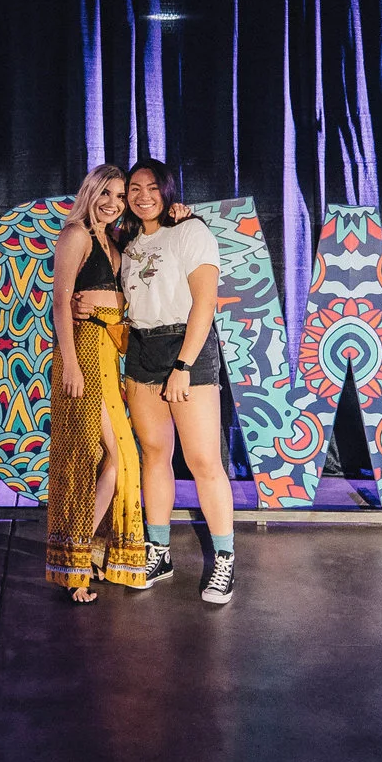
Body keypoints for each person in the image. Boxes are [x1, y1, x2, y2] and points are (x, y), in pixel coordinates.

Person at [116, 160, 240, 605]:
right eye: (134, 188)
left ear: (167, 191)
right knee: (154, 454)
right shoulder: (127, 242)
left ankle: (224, 558)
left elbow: (205, 302)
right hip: (142, 349)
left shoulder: (192, 232)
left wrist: (184, 366)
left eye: (152, 187)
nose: (142, 195)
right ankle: (159, 550)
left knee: (203, 458)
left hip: (185, 347)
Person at [44, 165, 147, 601]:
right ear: (90, 192)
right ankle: (77, 563)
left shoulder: (115, 240)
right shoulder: (77, 235)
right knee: (105, 458)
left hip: (108, 357)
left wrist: (111, 299)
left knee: (119, 460)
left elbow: (128, 297)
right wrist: (70, 364)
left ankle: (90, 554)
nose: (113, 202)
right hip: (83, 356)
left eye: (120, 196)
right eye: (105, 193)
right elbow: (61, 303)